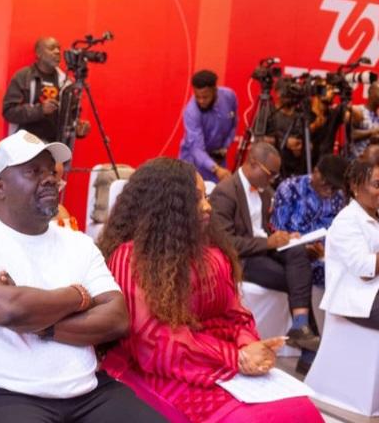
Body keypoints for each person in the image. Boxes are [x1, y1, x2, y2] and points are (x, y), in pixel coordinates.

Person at [0, 130, 165, 423]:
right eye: (33, 171)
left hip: (88, 391)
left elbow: (117, 319)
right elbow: (7, 309)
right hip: (7, 393)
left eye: (51, 171)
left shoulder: (79, 243)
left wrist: (40, 325)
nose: (49, 179)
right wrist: (79, 297)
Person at [98, 158, 322, 422]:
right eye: (195, 199)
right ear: (165, 206)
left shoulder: (211, 253)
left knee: (302, 410)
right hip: (162, 369)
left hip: (218, 362)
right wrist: (234, 357)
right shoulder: (132, 258)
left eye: (205, 197)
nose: (207, 206)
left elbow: (236, 315)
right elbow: (154, 343)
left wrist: (249, 346)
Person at [209, 142, 319, 352]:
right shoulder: (225, 192)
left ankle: (301, 327)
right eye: (271, 173)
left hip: (264, 250)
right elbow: (224, 242)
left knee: (298, 252)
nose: (273, 179)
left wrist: (285, 238)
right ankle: (306, 339)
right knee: (297, 278)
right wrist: (268, 242)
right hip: (242, 258)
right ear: (252, 163)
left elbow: (262, 230)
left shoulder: (265, 192)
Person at [321, 160, 379, 332]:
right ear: (355, 187)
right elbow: (366, 271)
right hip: (362, 294)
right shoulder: (346, 221)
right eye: (377, 185)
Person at [271, 154, 349, 288]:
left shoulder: (339, 197)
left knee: (352, 272)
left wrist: (328, 251)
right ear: (316, 172)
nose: (329, 190)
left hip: (327, 256)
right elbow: (278, 234)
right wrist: (304, 249)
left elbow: (341, 232)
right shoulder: (289, 189)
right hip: (294, 254)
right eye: (326, 183)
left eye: (335, 187)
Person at [2, 37, 69, 142]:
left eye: (58, 49)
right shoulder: (23, 76)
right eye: (52, 48)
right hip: (24, 144)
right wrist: (40, 110)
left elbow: (70, 116)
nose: (57, 52)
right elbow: (9, 112)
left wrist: (77, 128)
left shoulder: (66, 82)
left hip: (54, 146)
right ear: (38, 53)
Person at [179, 70, 238, 182]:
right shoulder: (191, 112)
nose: (201, 101)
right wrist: (215, 168)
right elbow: (196, 148)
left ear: (215, 90)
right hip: (195, 161)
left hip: (219, 158)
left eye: (205, 97)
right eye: (197, 97)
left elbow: (233, 123)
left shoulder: (229, 96)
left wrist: (225, 146)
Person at [350, 81, 379, 159]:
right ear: (371, 93)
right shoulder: (358, 111)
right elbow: (351, 135)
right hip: (352, 162)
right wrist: (375, 131)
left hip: (371, 164)